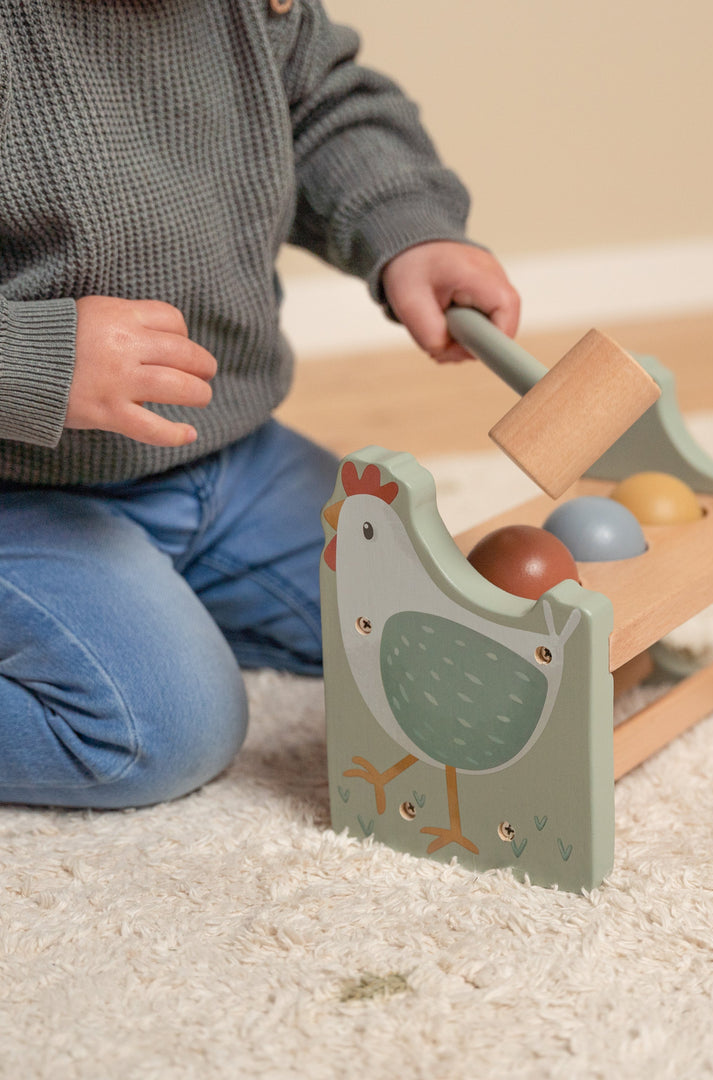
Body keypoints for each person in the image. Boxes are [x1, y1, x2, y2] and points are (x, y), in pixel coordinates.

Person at [0, 0, 520, 809]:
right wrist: (28, 360)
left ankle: (158, 594)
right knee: (156, 727)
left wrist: (408, 226)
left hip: (226, 457)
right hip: (19, 494)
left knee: (438, 620)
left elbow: (317, 107)